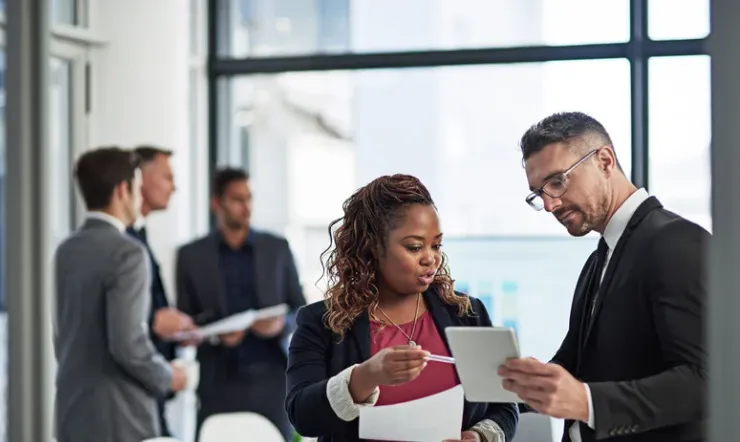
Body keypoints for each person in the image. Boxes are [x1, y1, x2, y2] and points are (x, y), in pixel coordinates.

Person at [499, 112, 707, 442]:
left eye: (557, 181)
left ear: (605, 161)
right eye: (539, 193)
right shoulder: (598, 260)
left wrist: (587, 402)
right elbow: (577, 363)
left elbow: (706, 381)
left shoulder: (677, 241)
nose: (550, 204)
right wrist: (527, 381)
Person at [285, 174, 519, 442]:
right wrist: (365, 376)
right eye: (415, 246)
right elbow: (302, 416)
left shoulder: (467, 312)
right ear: (373, 247)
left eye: (437, 245)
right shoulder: (321, 322)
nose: (431, 258)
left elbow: (504, 405)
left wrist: (479, 437)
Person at [54, 147, 187, 442]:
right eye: (138, 187)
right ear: (123, 190)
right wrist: (168, 377)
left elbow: (61, 336)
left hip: (71, 410)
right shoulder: (128, 252)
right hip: (120, 416)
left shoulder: (66, 250)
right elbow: (128, 344)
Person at [176, 167, 307, 441]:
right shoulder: (191, 256)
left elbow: (300, 310)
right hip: (218, 379)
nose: (246, 207)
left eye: (249, 198)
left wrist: (279, 325)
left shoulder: (277, 248)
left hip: (271, 377)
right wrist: (215, 335)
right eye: (237, 199)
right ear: (216, 203)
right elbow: (185, 321)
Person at [127, 145, 198, 436]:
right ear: (139, 179)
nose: (175, 186)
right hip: (133, 394)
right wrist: (154, 320)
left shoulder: (139, 235)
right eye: (167, 177)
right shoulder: (121, 243)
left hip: (151, 388)